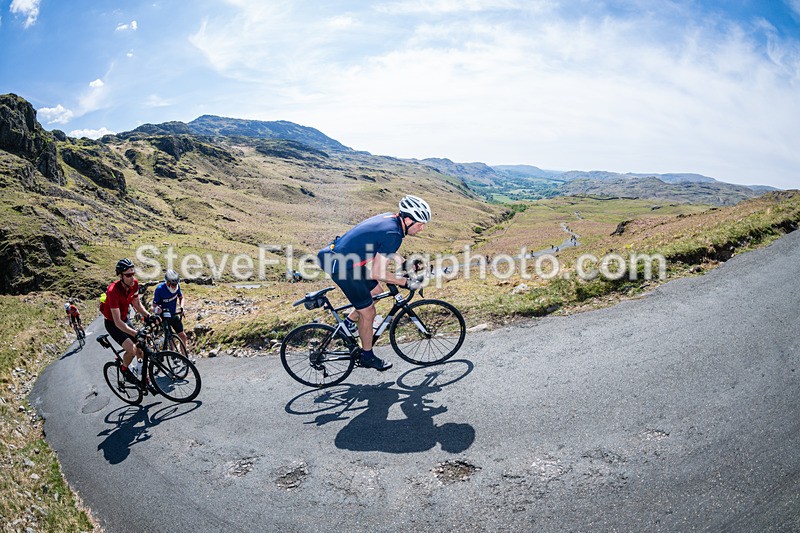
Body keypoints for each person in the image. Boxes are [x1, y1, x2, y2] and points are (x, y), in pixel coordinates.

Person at [317, 195, 429, 371]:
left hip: (345, 260)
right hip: (340, 266)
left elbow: (384, 247)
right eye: (420, 224)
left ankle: (347, 325)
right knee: (368, 312)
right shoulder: (394, 233)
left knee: (376, 292)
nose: (422, 228)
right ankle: (367, 357)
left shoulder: (392, 221)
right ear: (408, 220)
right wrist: (405, 282)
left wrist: (405, 263)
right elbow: (378, 273)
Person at [100, 258, 158, 383]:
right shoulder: (112, 291)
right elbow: (117, 322)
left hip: (125, 319)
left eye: (133, 274)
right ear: (121, 276)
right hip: (113, 323)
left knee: (141, 349)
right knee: (131, 349)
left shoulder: (134, 284)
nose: (132, 278)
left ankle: (142, 374)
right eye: (128, 275)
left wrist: (149, 316)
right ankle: (124, 369)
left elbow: (136, 304)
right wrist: (136, 333)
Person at [152, 269, 192, 361]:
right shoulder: (160, 289)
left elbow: (181, 297)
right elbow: (154, 305)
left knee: (183, 336)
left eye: (176, 284)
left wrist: (182, 307)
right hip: (163, 317)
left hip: (173, 314)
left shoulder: (177, 287)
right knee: (170, 337)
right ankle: (173, 354)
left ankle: (185, 358)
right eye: (173, 284)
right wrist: (157, 310)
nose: (174, 286)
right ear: (167, 283)